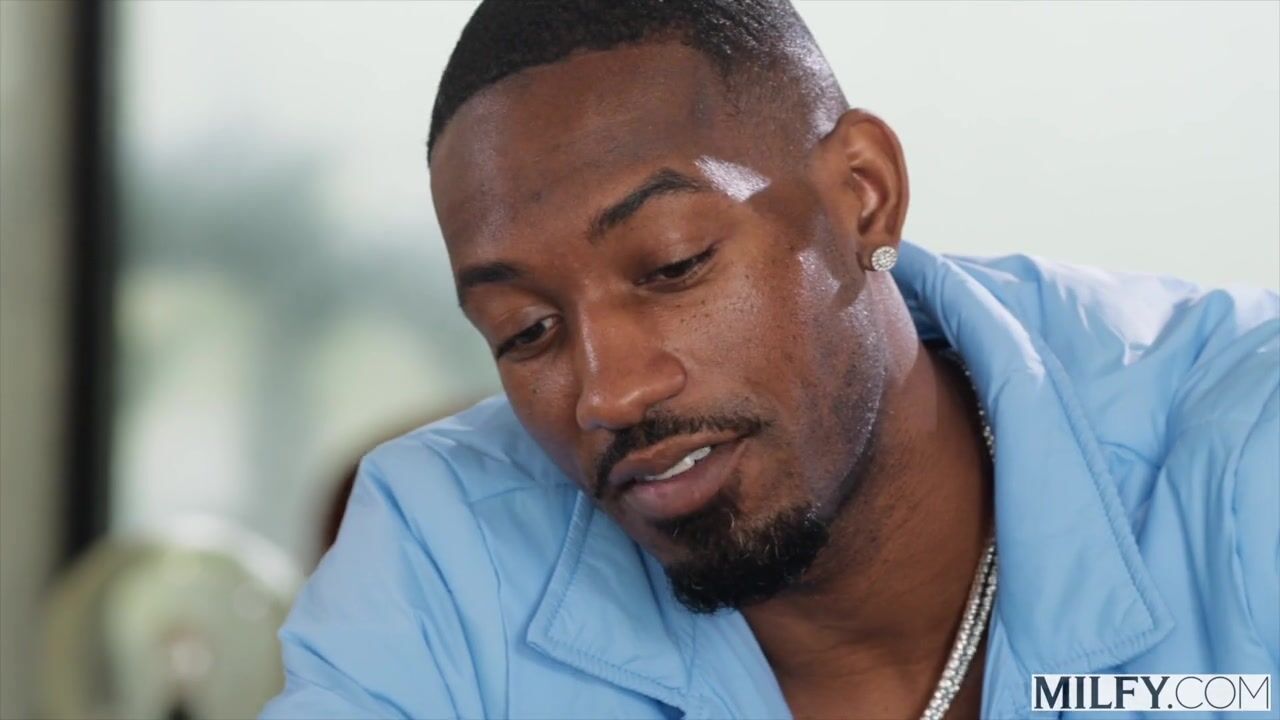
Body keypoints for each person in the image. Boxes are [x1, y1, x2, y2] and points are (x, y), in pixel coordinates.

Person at [262, 1, 1279, 718]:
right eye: (526, 331)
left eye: (673, 265)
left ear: (863, 195)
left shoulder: (1244, 453)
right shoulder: (445, 551)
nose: (609, 393)